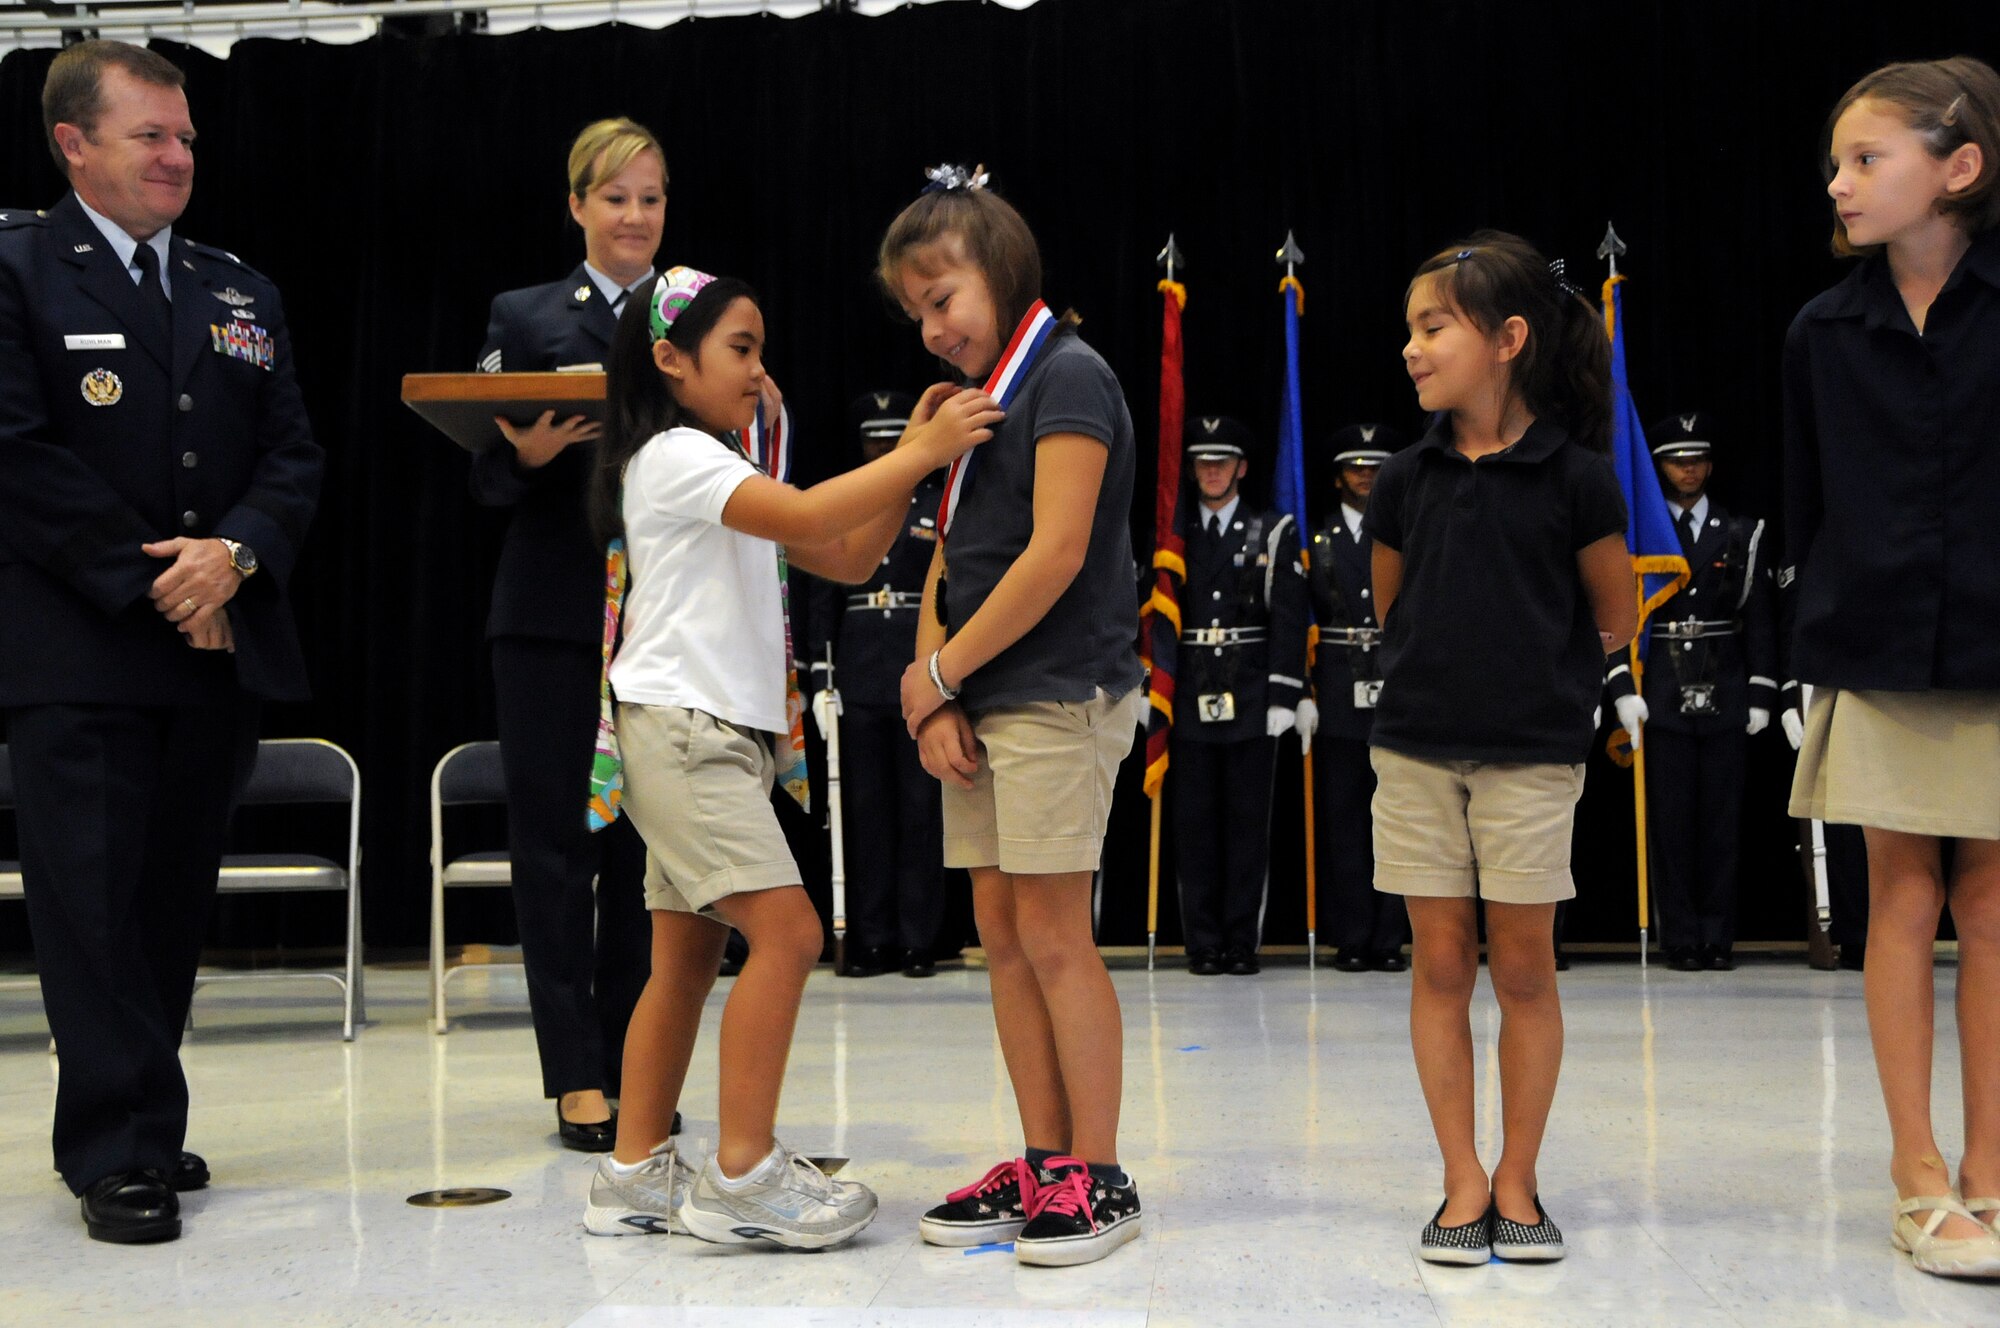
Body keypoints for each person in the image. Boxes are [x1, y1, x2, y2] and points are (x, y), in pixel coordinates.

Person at [578, 266, 999, 1248]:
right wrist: (923, 445)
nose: (760, 373)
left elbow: (844, 555)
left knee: (681, 958)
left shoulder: (711, 465)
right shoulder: (677, 453)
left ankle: (633, 1168)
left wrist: (913, 464)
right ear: (669, 360)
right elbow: (813, 516)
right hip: (684, 731)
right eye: (741, 349)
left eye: (761, 350)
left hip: (696, 732)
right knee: (791, 933)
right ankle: (740, 1172)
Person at [0, 41, 322, 1244]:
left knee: (172, 899)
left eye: (185, 136)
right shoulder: (20, 269)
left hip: (211, 639)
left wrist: (230, 556)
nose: (179, 156)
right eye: (151, 136)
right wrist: (158, 580)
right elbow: (17, 454)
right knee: (88, 902)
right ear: (72, 144)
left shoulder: (240, 287)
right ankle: (111, 1145)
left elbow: (292, 453)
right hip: (78, 645)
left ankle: (144, 1107)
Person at [881, 169, 1146, 1267]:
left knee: (1051, 932)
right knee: (999, 937)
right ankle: (1042, 1159)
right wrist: (932, 681)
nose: (932, 328)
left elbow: (1055, 555)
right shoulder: (973, 399)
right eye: (915, 313)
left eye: (942, 297)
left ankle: (1098, 1170)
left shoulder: (1068, 375)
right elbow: (948, 550)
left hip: (1055, 694)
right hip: (982, 698)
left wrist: (939, 672)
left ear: (999, 268)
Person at [1369, 232, 1634, 1265]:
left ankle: (1517, 1174)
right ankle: (1460, 1176)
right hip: (1415, 753)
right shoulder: (1402, 477)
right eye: (1408, 329)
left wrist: (1536, 685)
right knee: (1437, 960)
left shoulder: (1575, 479)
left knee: (1522, 966)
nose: (1410, 347)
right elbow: (1392, 610)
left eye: (1432, 326)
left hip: (1530, 756)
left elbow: (1612, 615)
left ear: (1507, 339)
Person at [1782, 56, 2000, 1278]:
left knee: (1992, 904)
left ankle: (1991, 1166)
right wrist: (1810, 655)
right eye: (1837, 161)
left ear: (1956, 169)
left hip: (1991, 644)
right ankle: (1914, 1167)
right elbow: (1809, 509)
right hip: (1874, 650)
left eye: (1867, 159)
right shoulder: (1822, 331)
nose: (1840, 182)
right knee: (1900, 896)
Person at [472, 117, 663, 1151]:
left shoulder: (697, 310)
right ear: (578, 205)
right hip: (549, 617)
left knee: (648, 857)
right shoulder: (528, 313)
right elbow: (481, 473)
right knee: (555, 851)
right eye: (616, 197)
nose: (634, 216)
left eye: (651, 198)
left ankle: (638, 1059)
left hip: (665, 622)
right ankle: (574, 1074)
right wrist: (531, 453)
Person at [1604, 413, 1777, 972]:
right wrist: (1624, 686)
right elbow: (1619, 616)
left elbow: (1761, 618)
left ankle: (1717, 938)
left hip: (1724, 682)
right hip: (1665, 689)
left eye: (1697, 459)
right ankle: (1679, 937)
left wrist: (1761, 691)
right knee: (1672, 825)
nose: (1688, 469)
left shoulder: (1739, 531)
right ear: (1659, 468)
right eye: (1677, 460)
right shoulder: (1644, 538)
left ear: (1710, 465)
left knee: (1721, 825)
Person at [806, 390, 950, 979]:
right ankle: (871, 936)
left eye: (892, 440)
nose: (882, 450)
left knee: (921, 813)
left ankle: (918, 939)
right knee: (863, 815)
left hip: (915, 670)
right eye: (874, 441)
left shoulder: (936, 504)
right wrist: (820, 676)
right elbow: (820, 595)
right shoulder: (852, 502)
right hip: (859, 676)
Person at [1168, 415, 1309, 976]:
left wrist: (1283, 693)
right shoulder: (1174, 537)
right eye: (1203, 461)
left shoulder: (1271, 530)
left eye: (1222, 461)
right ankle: (1202, 943)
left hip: (1251, 695)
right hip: (1188, 696)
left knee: (1248, 827)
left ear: (1242, 469)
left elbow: (1290, 618)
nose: (1211, 471)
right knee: (1195, 827)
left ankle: (1240, 943)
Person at [1305, 422, 1409, 973]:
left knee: (1397, 820)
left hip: (1396, 694)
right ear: (1339, 476)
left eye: (1375, 469)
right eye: (1356, 469)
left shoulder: (1406, 534)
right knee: (1344, 822)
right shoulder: (1318, 540)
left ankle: (1391, 938)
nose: (1366, 478)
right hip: (1340, 695)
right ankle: (1351, 935)